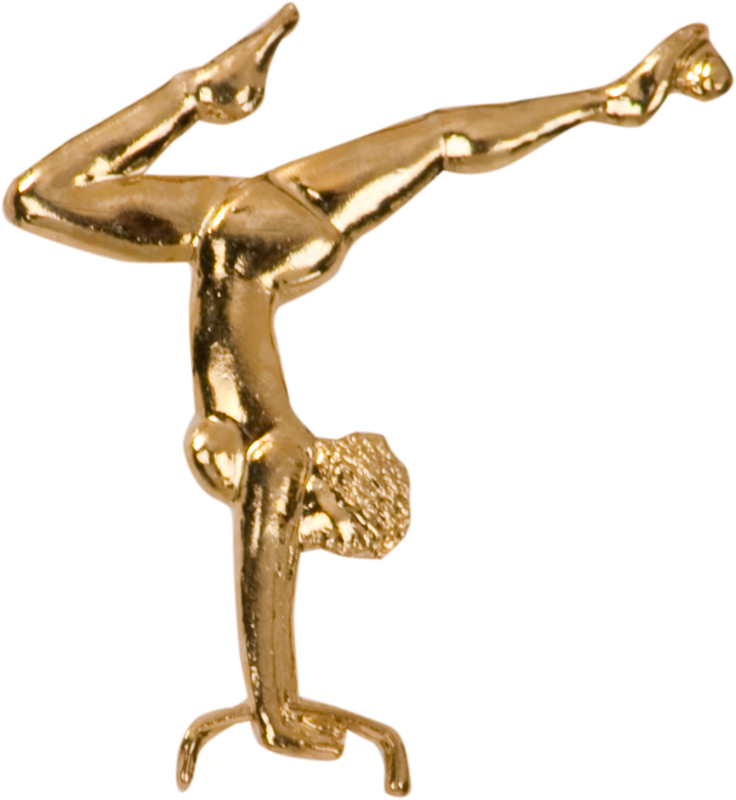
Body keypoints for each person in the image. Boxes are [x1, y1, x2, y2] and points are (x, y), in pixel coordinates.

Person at [4, 4, 732, 795]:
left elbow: (271, 555)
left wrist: (281, 703)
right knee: (38, 197)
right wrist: (273, 703)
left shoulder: (276, 446)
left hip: (272, 227)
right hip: (248, 242)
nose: (306, 539)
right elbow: (264, 569)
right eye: (328, 530)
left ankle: (614, 98)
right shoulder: (281, 455)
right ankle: (199, 92)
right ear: (331, 487)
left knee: (440, 139)